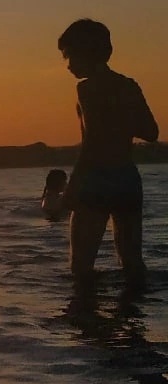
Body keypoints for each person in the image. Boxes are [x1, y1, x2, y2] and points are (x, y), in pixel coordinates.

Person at [57, 19, 158, 288]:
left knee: (81, 268)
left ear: (85, 52)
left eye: (69, 56)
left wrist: (72, 187)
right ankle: (134, 325)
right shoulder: (129, 85)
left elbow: (92, 141)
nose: (67, 65)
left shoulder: (86, 88)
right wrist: (122, 119)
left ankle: (87, 325)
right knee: (133, 263)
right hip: (127, 178)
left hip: (96, 179)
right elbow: (151, 131)